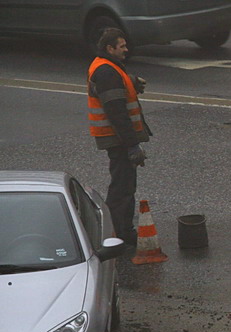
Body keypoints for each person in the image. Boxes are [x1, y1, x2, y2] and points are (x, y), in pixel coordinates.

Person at [87, 28, 152, 246]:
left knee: (124, 185)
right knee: (122, 188)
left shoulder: (106, 66)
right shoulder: (106, 71)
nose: (126, 49)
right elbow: (117, 113)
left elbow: (111, 85)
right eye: (122, 46)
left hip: (118, 138)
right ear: (109, 48)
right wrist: (133, 146)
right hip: (118, 139)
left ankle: (122, 230)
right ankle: (117, 234)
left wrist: (130, 81)